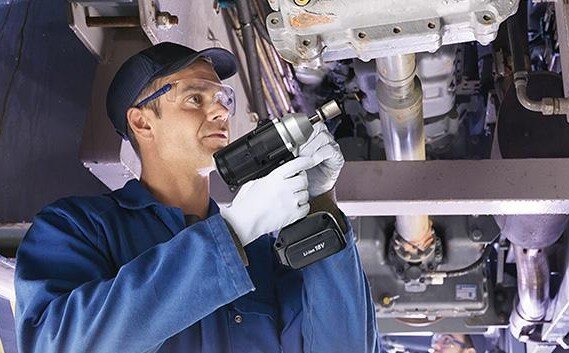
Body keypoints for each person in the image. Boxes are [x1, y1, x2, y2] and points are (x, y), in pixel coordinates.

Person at [14, 42, 379, 353]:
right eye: (194, 98)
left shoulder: (264, 254)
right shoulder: (79, 228)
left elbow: (346, 345)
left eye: (222, 97)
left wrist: (320, 206)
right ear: (142, 123)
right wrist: (232, 232)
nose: (220, 110)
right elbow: (59, 344)